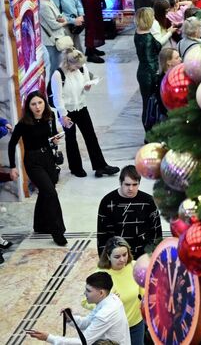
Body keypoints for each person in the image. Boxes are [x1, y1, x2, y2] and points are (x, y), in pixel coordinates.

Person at [9, 90, 67, 246]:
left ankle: (39, 225)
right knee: (51, 193)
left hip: (48, 158)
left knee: (45, 192)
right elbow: (12, 144)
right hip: (33, 161)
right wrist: (13, 167)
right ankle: (58, 231)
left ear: (44, 103)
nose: (37, 107)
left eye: (40, 103)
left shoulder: (50, 116)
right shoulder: (24, 123)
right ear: (28, 106)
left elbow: (52, 134)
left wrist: (55, 140)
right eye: (33, 104)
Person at [49, 48, 116, 178]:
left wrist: (87, 87)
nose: (79, 68)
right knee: (71, 138)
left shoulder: (81, 68)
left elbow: (84, 86)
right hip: (67, 111)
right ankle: (75, 168)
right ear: (68, 63)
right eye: (77, 66)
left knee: (90, 136)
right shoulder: (58, 75)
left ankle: (100, 166)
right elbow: (57, 97)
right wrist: (63, 115)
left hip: (81, 106)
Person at [25, 271, 130, 344]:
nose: (85, 293)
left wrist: (48, 338)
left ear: (101, 293)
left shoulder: (106, 314)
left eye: (88, 291)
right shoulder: (110, 299)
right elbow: (88, 322)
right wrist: (70, 319)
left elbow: (82, 342)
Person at [97, 167, 163, 256]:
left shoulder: (149, 201)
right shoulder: (107, 202)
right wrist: (104, 259)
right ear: (120, 182)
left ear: (139, 183)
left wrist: (153, 256)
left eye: (135, 184)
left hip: (143, 255)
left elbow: (156, 232)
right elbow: (102, 235)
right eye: (127, 184)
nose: (131, 188)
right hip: (118, 256)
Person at [98, 237, 145, 345]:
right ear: (108, 256)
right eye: (117, 257)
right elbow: (85, 301)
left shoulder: (135, 266)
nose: (122, 259)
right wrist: (104, 300)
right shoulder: (100, 275)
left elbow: (144, 291)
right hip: (114, 328)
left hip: (136, 323)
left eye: (125, 254)